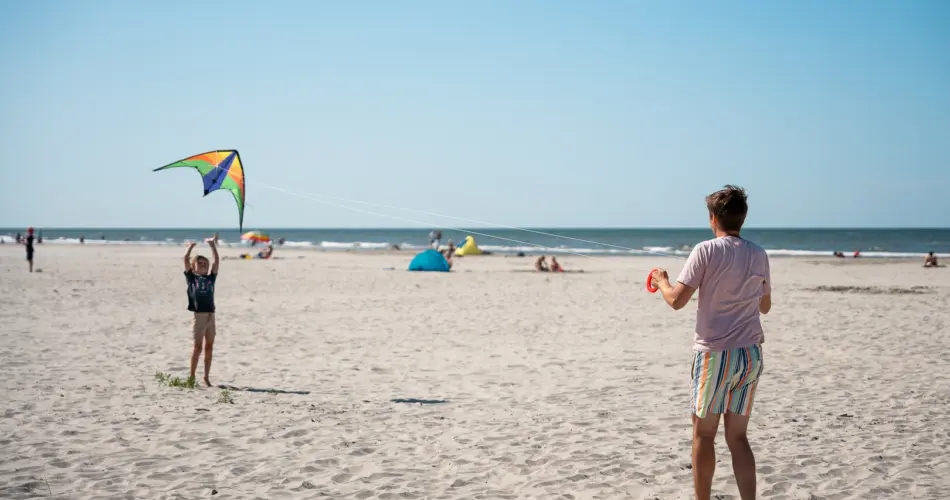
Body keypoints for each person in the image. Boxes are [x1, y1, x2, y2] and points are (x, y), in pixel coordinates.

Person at [650, 185, 770, 500]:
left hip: (715, 355)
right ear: (742, 219)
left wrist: (662, 280)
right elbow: (765, 306)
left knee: (704, 434)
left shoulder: (705, 250)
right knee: (739, 438)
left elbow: (676, 300)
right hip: (750, 356)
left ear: (713, 218)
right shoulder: (758, 253)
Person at [184, 238, 220, 387]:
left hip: (211, 316)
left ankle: (206, 377)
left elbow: (217, 260)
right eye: (200, 263)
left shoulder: (211, 278)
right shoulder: (192, 278)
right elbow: (185, 259)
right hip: (199, 316)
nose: (204, 265)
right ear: (194, 267)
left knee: (209, 347)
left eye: (206, 264)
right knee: (197, 347)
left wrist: (212, 245)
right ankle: (192, 377)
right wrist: (190, 247)